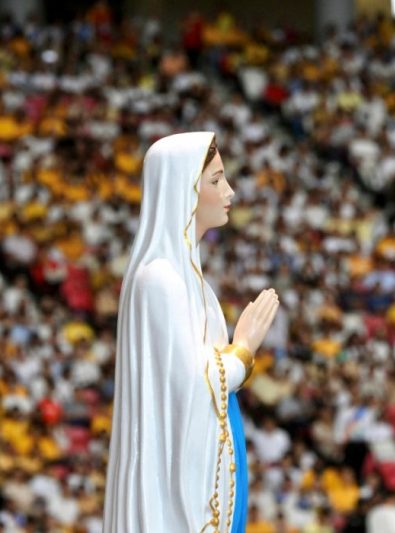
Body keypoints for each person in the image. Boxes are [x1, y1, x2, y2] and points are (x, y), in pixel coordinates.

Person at [102, 132, 280, 532]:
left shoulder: (190, 280)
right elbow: (193, 383)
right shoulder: (160, 280)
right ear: (184, 190)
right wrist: (243, 350)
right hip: (174, 493)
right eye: (216, 181)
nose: (229, 191)